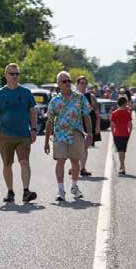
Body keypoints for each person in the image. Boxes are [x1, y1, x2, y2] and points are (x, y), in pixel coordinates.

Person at [0, 63, 37, 203]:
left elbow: (33, 112)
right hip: (5, 135)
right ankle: (10, 192)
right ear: (6, 76)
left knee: (24, 162)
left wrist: (33, 129)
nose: (15, 76)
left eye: (17, 74)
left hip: (23, 135)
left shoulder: (26, 93)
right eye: (12, 74)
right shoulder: (0, 94)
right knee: (7, 164)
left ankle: (26, 192)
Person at [45, 71, 92, 202]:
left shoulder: (80, 97)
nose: (67, 84)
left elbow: (86, 115)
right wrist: (46, 141)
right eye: (64, 82)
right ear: (58, 84)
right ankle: (60, 190)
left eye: (69, 81)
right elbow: (49, 120)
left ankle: (74, 187)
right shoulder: (54, 101)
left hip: (76, 133)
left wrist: (90, 133)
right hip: (60, 134)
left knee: (75, 162)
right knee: (60, 161)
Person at [76, 76, 99, 176]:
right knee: (75, 147)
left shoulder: (91, 97)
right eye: (81, 83)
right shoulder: (73, 96)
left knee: (84, 147)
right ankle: (75, 166)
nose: (83, 85)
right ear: (77, 84)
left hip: (87, 124)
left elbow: (96, 113)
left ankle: (82, 168)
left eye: (85, 83)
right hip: (75, 124)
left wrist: (97, 126)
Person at [110, 95, 133, 175]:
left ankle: (122, 167)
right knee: (123, 151)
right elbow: (130, 125)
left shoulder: (114, 113)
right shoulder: (128, 113)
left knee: (120, 151)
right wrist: (129, 133)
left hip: (117, 134)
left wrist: (113, 134)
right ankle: (122, 166)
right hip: (125, 134)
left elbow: (112, 125)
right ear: (124, 103)